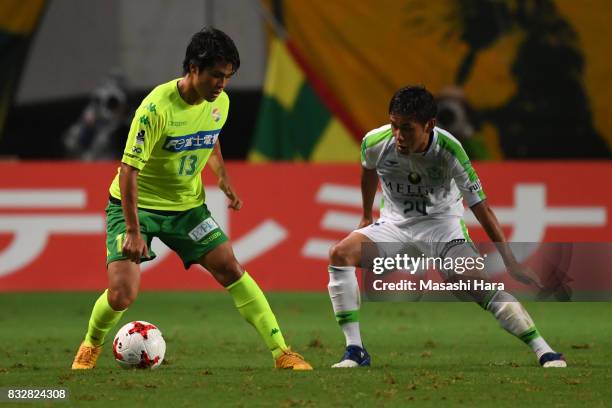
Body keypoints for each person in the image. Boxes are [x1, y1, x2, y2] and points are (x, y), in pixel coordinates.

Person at [71, 27, 312, 371]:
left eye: (227, 77)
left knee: (231, 267)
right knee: (122, 294)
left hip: (187, 210)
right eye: (216, 75)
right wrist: (134, 231)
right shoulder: (155, 110)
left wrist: (222, 175)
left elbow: (208, 137)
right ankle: (91, 345)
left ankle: (282, 352)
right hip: (137, 207)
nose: (222, 84)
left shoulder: (219, 103)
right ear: (193, 68)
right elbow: (128, 172)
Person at [326, 86, 566, 368]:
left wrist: (510, 261)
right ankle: (355, 350)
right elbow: (367, 170)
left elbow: (481, 207)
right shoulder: (376, 142)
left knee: (477, 285)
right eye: (394, 126)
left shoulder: (450, 150)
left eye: (407, 128)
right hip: (394, 225)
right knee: (340, 254)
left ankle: (543, 349)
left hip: (443, 228)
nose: (399, 136)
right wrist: (367, 215)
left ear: (429, 125)